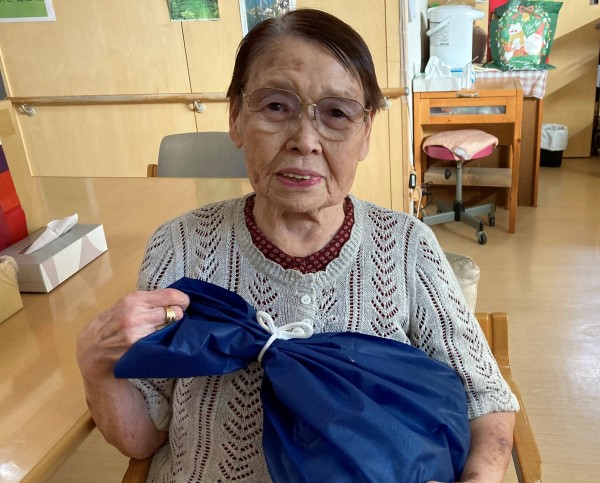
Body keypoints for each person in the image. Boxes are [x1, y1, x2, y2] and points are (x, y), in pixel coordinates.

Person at [76, 8, 519, 483]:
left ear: (365, 133)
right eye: (276, 106)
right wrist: (94, 363)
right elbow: (143, 437)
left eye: (337, 113)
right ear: (236, 118)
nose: (305, 141)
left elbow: (486, 398)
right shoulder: (180, 244)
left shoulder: (407, 244)